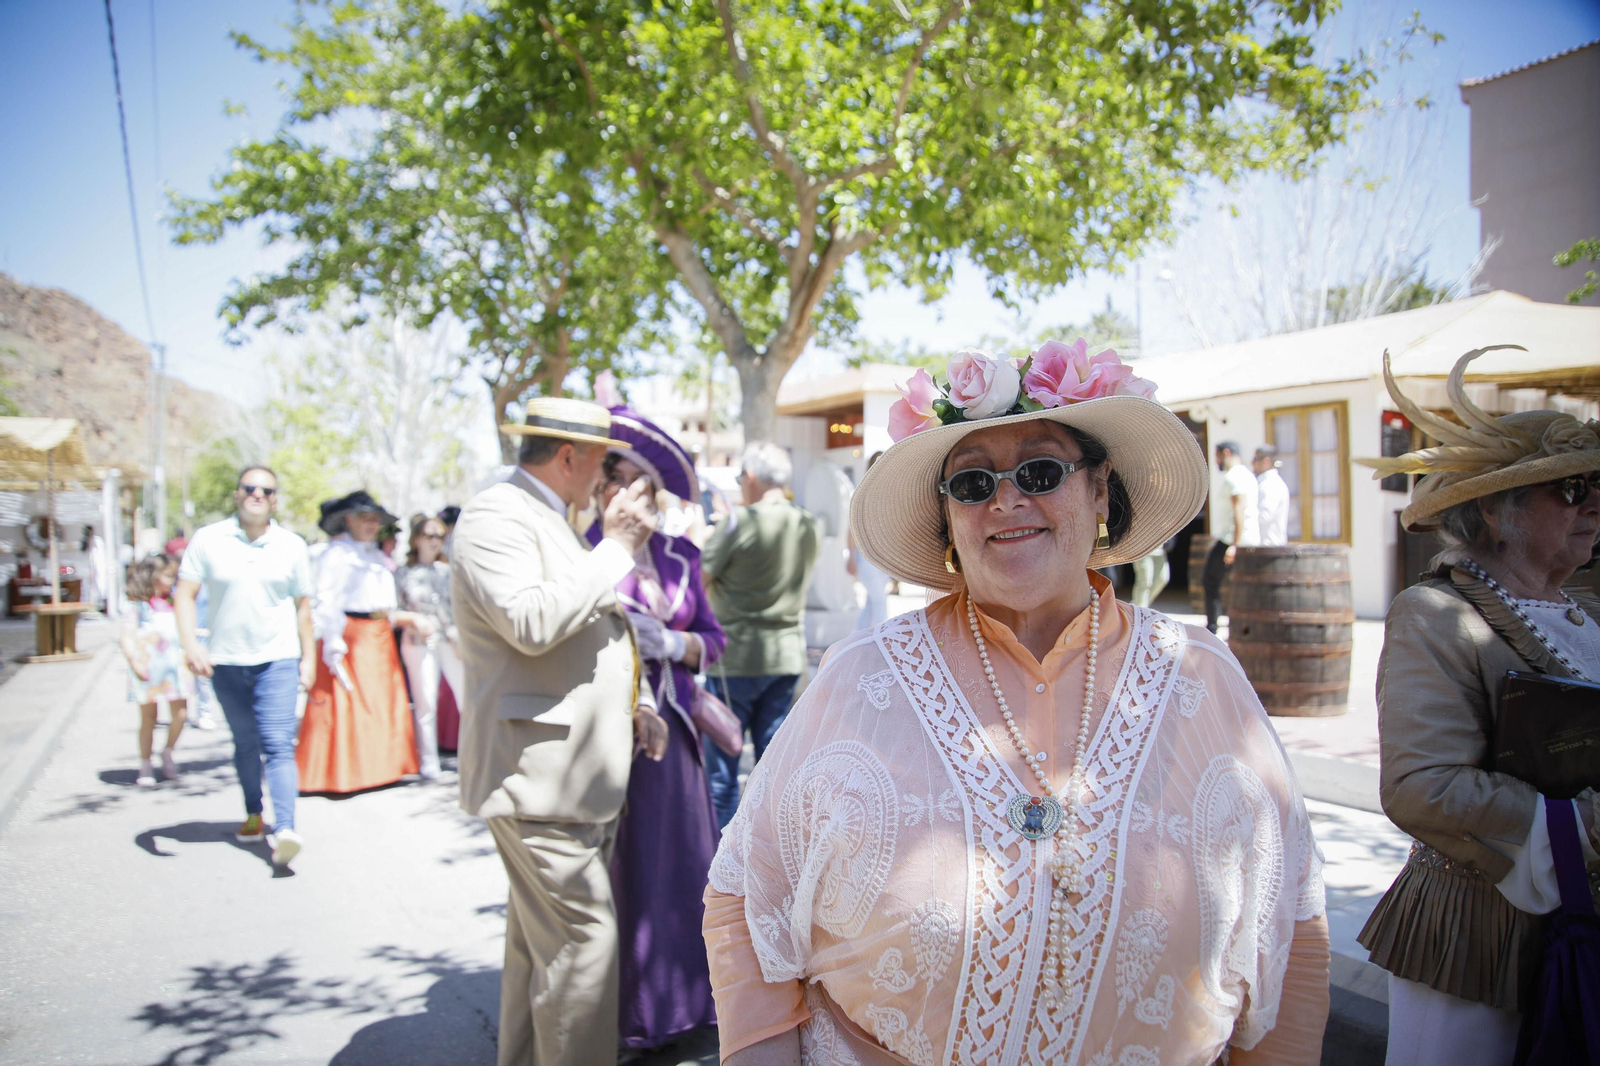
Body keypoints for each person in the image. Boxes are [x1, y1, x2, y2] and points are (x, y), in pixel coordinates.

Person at [703, 341, 1329, 1066]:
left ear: (1100, 492)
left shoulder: (1203, 677)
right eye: (972, 483)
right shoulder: (857, 679)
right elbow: (746, 897)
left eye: (1040, 470)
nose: (1006, 499)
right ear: (947, 520)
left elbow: (1293, 920)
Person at [1353, 349, 1600, 1066]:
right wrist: (1580, 825)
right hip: (1475, 937)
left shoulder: (1582, 612)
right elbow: (1419, 787)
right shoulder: (1433, 612)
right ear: (1496, 508)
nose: (1592, 504)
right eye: (1570, 488)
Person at [451, 397, 667, 1066]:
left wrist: (637, 699)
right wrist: (619, 548)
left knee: (538, 954)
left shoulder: (546, 518)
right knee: (582, 950)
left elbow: (590, 631)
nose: (607, 480)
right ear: (570, 457)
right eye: (603, 463)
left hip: (562, 779)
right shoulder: (497, 515)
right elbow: (533, 622)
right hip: (537, 777)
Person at [585, 403, 727, 1053]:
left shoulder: (681, 554)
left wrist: (671, 642)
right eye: (617, 481)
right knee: (628, 870)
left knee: (685, 869)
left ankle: (689, 1005)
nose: (629, 496)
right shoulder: (585, 554)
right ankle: (630, 1015)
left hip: (679, 735)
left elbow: (714, 642)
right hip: (615, 734)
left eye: (641, 485)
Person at [175, 466, 316, 869]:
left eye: (266, 490)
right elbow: (184, 595)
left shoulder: (292, 545)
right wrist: (191, 646)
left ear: (275, 499)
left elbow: (303, 608)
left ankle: (285, 828)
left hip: (278, 660)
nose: (257, 494)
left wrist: (308, 660)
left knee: (276, 742)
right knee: (245, 743)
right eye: (250, 488)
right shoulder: (208, 539)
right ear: (237, 495)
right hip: (225, 662)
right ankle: (254, 813)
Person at [699, 441, 820, 827]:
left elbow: (699, 580)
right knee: (774, 771)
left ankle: (717, 874)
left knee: (721, 775)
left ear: (750, 477)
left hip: (735, 657)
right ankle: (770, 865)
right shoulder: (807, 523)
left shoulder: (740, 522)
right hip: (784, 655)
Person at [299, 490, 423, 794]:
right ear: (349, 520)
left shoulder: (376, 555)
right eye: (365, 518)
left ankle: (384, 768)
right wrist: (332, 641)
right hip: (350, 632)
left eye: (374, 520)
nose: (371, 525)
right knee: (347, 702)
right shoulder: (337, 554)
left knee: (382, 700)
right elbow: (327, 600)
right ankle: (344, 774)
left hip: (378, 633)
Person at [395, 513, 463, 782]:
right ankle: (428, 761)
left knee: (466, 699)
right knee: (425, 703)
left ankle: (471, 757)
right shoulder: (404, 573)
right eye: (429, 535)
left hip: (452, 641)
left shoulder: (450, 572)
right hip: (418, 642)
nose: (435, 541)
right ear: (417, 539)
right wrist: (414, 620)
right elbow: (392, 612)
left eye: (439, 536)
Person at [120, 554, 192, 786]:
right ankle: (145, 763)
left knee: (181, 714)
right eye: (168, 576)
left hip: (175, 668)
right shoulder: (138, 605)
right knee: (148, 719)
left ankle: (168, 751)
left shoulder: (176, 601)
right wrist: (134, 661)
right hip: (148, 668)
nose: (172, 581)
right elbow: (127, 635)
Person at [1203, 439, 1259, 633]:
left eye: (1217, 456)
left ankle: (1212, 628)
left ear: (1225, 453)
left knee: (1210, 580)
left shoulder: (1234, 476)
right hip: (1245, 539)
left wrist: (1233, 545)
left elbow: (1239, 510)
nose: (1216, 461)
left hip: (1231, 539)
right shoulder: (1248, 475)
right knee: (1240, 586)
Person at [849, 451, 893, 631]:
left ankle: (858, 638)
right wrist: (851, 557)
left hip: (882, 555)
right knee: (879, 601)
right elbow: (851, 527)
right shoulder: (863, 493)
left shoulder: (890, 493)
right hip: (866, 556)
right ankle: (884, 640)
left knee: (872, 602)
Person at [1254, 444, 1290, 547]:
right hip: (1263, 547)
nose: (1253, 463)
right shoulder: (1263, 483)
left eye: (1255, 459)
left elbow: (1264, 516)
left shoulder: (1271, 484)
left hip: (1269, 547)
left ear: (1266, 461)